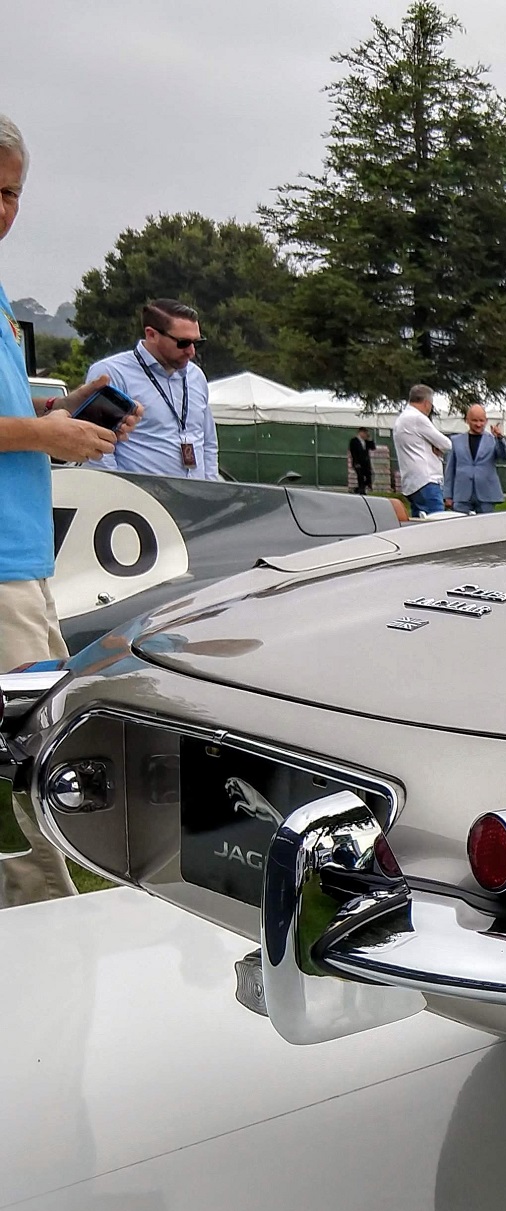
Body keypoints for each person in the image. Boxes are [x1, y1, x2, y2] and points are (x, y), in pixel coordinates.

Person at [0, 114, 140, 906]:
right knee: (27, 762)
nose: (5, 210)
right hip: (2, 571)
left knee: (46, 744)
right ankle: (38, 922)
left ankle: (44, 908)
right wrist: (41, 430)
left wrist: (67, 410)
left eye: (14, 193)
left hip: (24, 559)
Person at [83, 298, 217, 479]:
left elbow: (208, 442)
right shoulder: (113, 373)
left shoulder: (196, 376)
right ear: (151, 334)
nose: (192, 351)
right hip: (140, 500)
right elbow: (96, 447)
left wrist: (211, 490)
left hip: (195, 497)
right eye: (183, 343)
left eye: (197, 343)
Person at [393, 384, 451, 515]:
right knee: (437, 523)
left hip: (411, 483)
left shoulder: (401, 419)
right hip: (427, 480)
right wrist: (436, 446)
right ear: (426, 403)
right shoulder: (418, 418)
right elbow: (446, 444)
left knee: (419, 523)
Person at [442, 403, 506, 515]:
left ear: (486, 421)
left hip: (486, 494)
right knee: (459, 527)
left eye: (481, 421)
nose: (478, 424)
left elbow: (505, 457)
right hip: (462, 495)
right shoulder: (456, 441)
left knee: (486, 528)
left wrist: (500, 438)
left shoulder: (493, 440)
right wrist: (448, 495)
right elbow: (450, 470)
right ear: (467, 420)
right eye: (474, 420)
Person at [348, 426, 376, 495]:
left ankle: (358, 489)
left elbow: (373, 447)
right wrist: (356, 462)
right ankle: (361, 490)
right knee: (360, 476)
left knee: (369, 476)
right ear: (360, 433)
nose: (365, 434)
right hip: (358, 462)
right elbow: (353, 452)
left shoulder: (366, 441)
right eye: (364, 433)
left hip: (366, 463)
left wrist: (370, 439)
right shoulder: (354, 441)